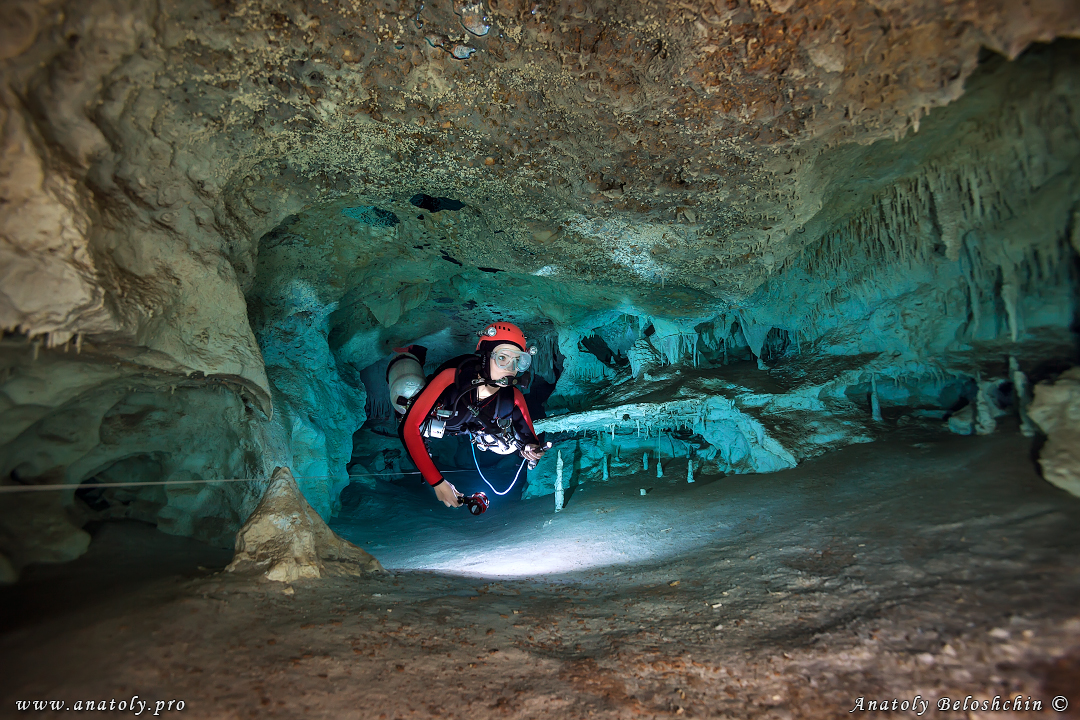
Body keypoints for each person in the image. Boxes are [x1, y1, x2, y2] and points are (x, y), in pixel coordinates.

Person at [395, 322, 548, 507]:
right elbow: (409, 428)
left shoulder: (513, 397)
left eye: (518, 361)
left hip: (478, 429)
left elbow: (528, 437)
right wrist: (438, 482)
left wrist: (530, 449)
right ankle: (410, 357)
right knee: (406, 391)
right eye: (502, 358)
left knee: (509, 447)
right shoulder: (451, 377)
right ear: (486, 358)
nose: (510, 368)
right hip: (437, 420)